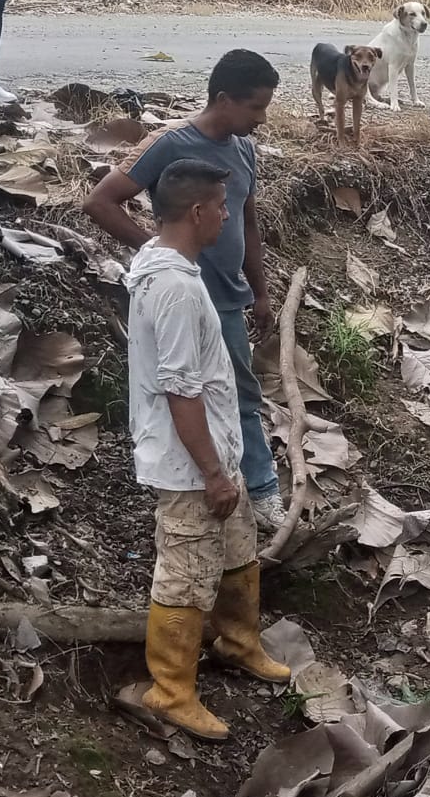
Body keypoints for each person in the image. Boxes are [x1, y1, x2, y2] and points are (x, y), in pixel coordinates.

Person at [84, 50, 284, 530]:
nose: (261, 118)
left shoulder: (243, 150)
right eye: (256, 107)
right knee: (180, 388)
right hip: (181, 297)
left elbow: (248, 223)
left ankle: (259, 489)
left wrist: (259, 291)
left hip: (227, 298)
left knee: (239, 392)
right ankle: (193, 485)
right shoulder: (169, 144)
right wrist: (161, 250)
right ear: (224, 99)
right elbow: (100, 201)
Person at [125, 158, 290, 741]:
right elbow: (180, 389)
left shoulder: (167, 264)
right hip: (191, 465)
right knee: (185, 573)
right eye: (222, 207)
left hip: (215, 453)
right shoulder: (174, 289)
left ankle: (238, 643)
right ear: (197, 213)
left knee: (237, 547)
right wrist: (212, 474)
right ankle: (171, 691)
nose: (228, 216)